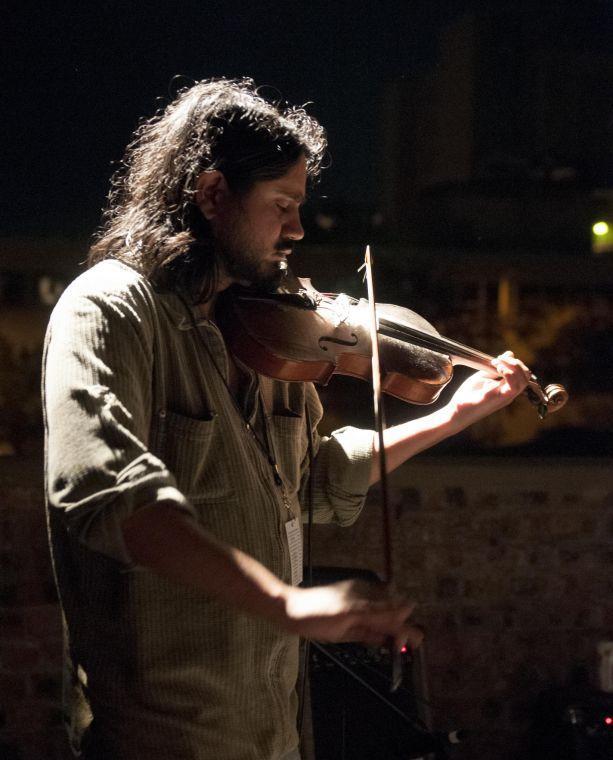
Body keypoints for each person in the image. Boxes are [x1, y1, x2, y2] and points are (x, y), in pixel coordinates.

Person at [42, 78, 531, 760]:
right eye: (280, 206)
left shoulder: (271, 328)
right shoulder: (111, 309)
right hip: (164, 736)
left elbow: (315, 481)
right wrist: (288, 603)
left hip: (275, 729)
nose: (296, 230)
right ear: (213, 195)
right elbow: (109, 494)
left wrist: (455, 415)